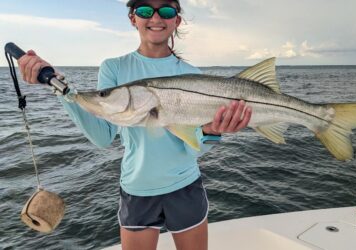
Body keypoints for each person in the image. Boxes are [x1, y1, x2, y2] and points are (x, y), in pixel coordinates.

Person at [18, 0, 252, 249]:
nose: (155, 17)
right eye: (144, 10)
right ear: (133, 19)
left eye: (166, 10)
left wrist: (212, 132)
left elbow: (192, 149)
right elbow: (102, 137)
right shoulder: (114, 68)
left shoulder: (193, 74)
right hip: (137, 191)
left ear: (176, 20)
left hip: (186, 187)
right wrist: (59, 87)